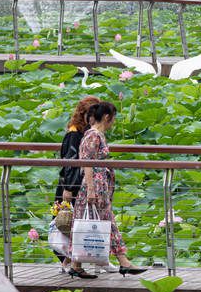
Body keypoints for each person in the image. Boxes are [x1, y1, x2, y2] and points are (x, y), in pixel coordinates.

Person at [72, 101, 144, 278]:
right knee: (103, 220)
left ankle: (76, 264)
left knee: (95, 220)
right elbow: (87, 162)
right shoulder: (94, 136)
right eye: (113, 118)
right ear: (106, 117)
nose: (113, 122)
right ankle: (123, 261)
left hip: (98, 185)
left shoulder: (94, 135)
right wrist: (91, 189)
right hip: (95, 185)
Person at [52, 96, 100, 277]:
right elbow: (70, 163)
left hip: (78, 183)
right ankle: (68, 262)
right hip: (70, 185)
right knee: (68, 222)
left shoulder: (85, 133)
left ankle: (70, 262)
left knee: (75, 223)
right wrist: (69, 188)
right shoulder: (74, 134)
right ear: (87, 115)